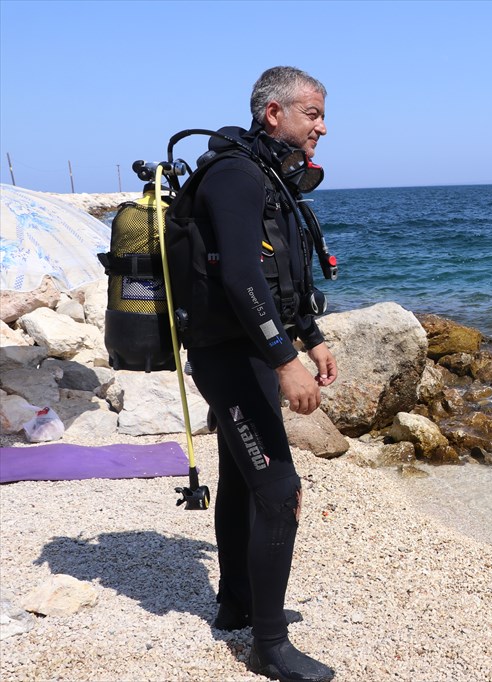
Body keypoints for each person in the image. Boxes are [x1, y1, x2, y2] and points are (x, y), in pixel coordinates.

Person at [185, 67, 337, 682]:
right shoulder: (235, 176)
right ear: (274, 114)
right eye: (312, 114)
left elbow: (282, 274)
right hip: (228, 355)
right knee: (279, 492)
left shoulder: (269, 176)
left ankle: (237, 603)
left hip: (247, 348)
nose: (322, 127)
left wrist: (313, 336)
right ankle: (268, 647)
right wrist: (285, 361)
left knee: (242, 479)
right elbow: (241, 278)